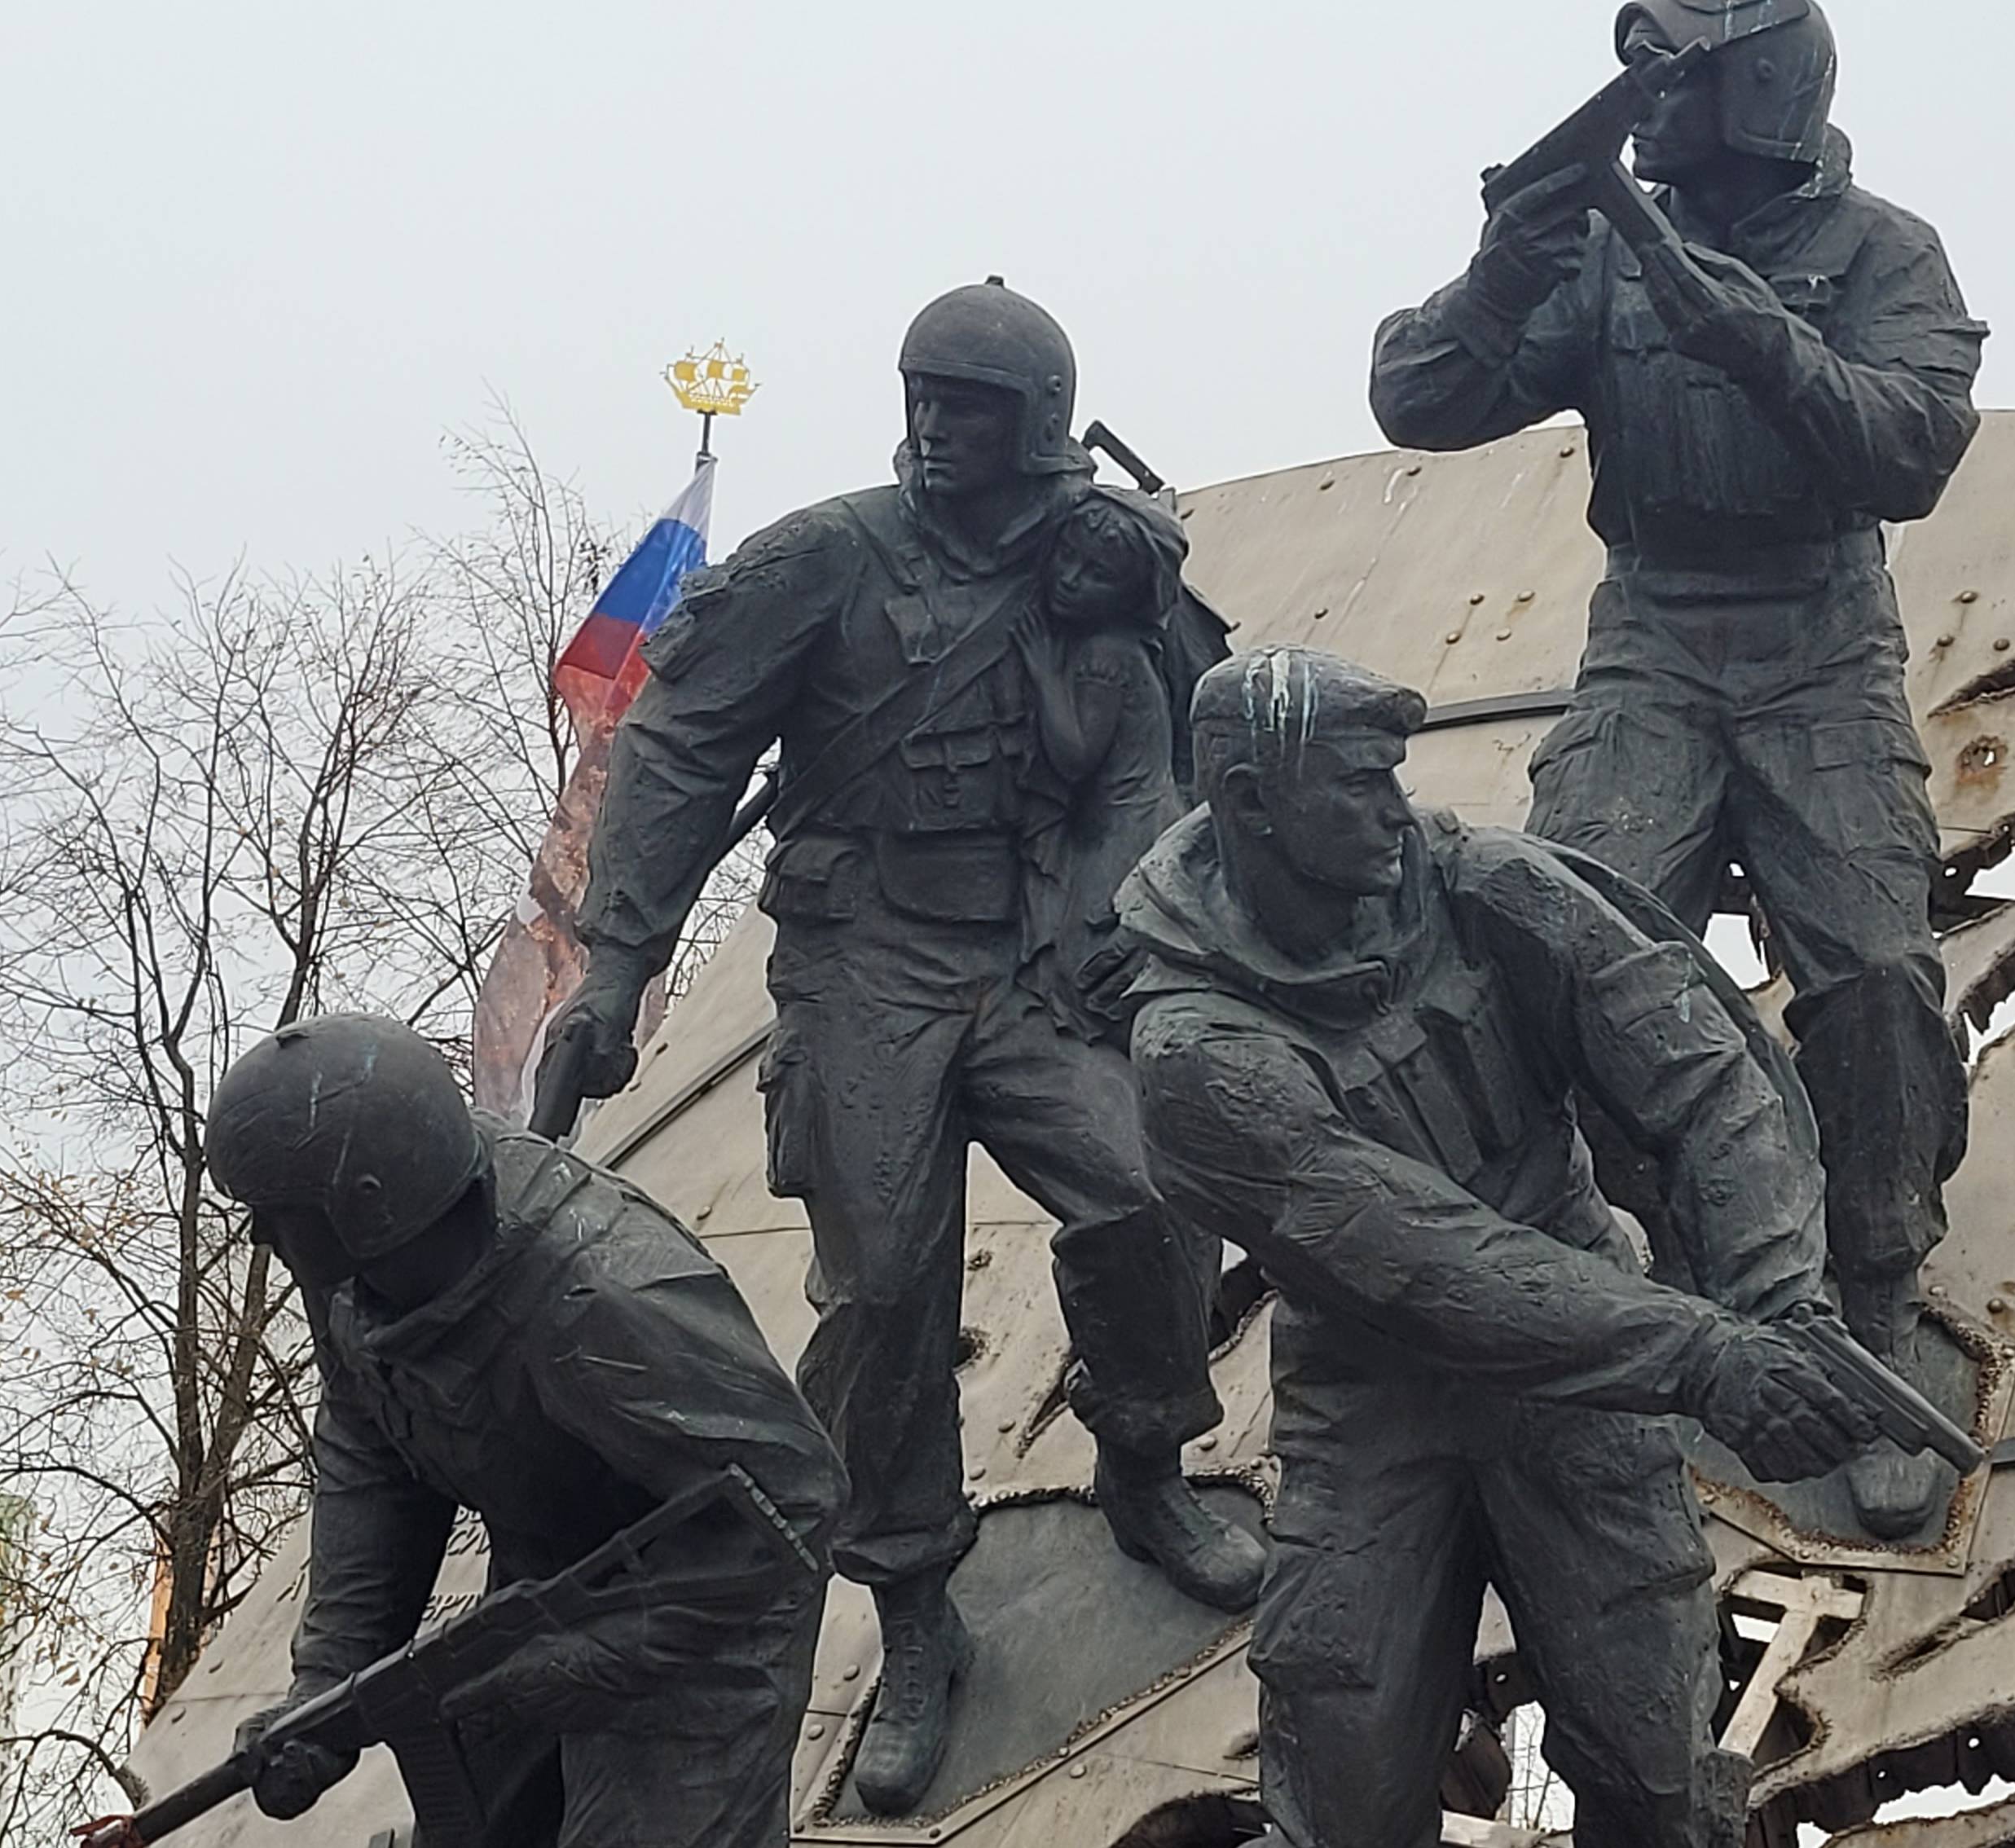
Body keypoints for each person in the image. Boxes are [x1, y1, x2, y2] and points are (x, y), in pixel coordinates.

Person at [542, 281, 1261, 1815]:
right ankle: (918, 1602)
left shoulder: (1100, 555)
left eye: (970, 406)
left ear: (1040, 423)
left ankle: (1146, 1465)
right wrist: (617, 964)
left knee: (1151, 1189)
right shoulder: (824, 555)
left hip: (1033, 956)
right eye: (921, 395)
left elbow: (1197, 741)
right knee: (881, 1294)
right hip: (860, 959)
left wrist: (1148, 608)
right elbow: (681, 741)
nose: (935, 426)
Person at [1368, 0, 1984, 1537]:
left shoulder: (1885, 253)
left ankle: (1875, 1282)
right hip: (1653, 629)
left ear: (1757, 86)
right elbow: (1418, 398)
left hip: (1819, 636)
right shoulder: (1594, 249)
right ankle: (1635, 1251)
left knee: (1875, 969)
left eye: (1673, 76)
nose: (1642, 105)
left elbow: (1912, 448)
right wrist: (1507, 264)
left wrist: (1757, 338)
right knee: (1567, 933)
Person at [1120, 646, 1879, 1848]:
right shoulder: (1192, 1052)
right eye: (1357, 783)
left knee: (1654, 1761)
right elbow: (1426, 1262)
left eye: (1394, 775)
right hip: (1374, 1394)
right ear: (1254, 805)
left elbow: (1704, 1078)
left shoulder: (1487, 884)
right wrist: (1709, 1356)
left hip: (1582, 1371)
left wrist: (1779, 1297)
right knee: (1342, 1758)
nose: (1394, 808)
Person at [208, 1014, 842, 1848]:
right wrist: (329, 1685)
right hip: (546, 1596)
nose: (261, 1234)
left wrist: (588, 1661)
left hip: (708, 1619)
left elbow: (794, 1504)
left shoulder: (603, 1298)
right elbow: (372, 1448)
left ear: (365, 1201)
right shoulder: (361, 1270)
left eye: (277, 1213)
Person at [1018, 494, 1200, 1040]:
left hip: (1124, 833)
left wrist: (1043, 676)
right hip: (1135, 821)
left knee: (1091, 961)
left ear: (1131, 593)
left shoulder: (1105, 655)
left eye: (1097, 574)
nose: (1070, 579)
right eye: (1067, 557)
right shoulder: (1123, 648)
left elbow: (1076, 757)